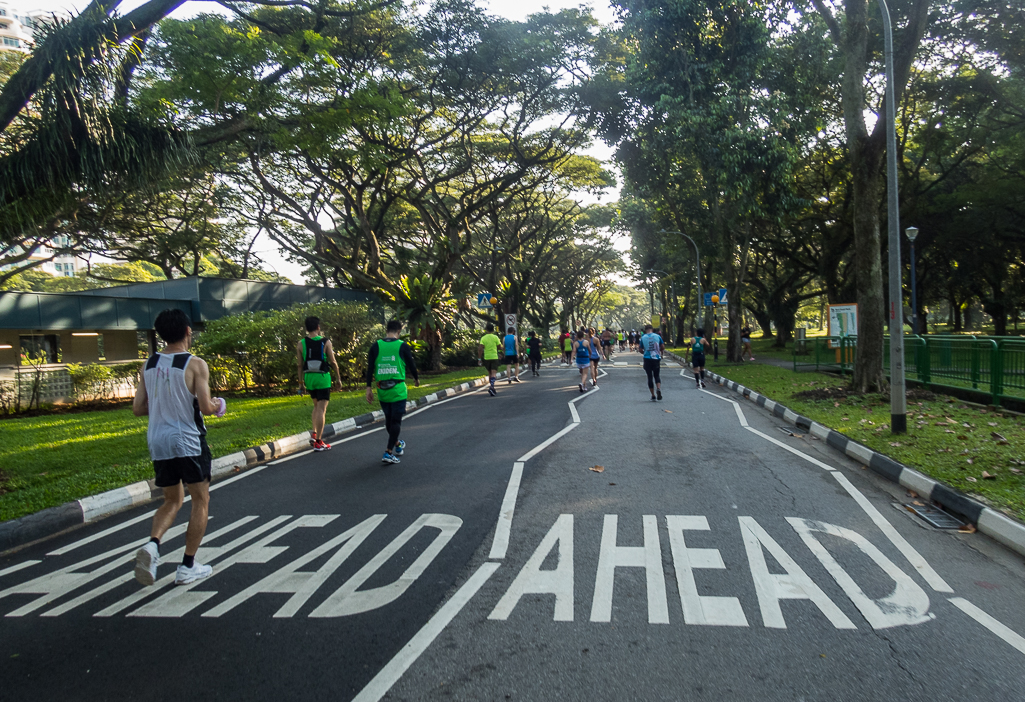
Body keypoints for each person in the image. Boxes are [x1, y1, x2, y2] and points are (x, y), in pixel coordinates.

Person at [132, 309, 227, 587]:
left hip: (158, 440)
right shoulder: (195, 364)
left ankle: (153, 545)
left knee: (171, 500)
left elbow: (138, 408)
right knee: (200, 499)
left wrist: (164, 403)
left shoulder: (148, 364)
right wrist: (220, 405)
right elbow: (207, 406)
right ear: (188, 331)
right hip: (188, 439)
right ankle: (187, 565)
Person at [366, 319, 420, 464]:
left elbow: (370, 367)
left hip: (382, 390)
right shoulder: (402, 346)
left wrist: (368, 388)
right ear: (399, 331)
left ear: (386, 330)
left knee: (389, 422)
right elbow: (411, 364)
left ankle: (397, 444)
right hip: (398, 390)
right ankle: (388, 452)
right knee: (395, 421)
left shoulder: (376, 346)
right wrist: (416, 378)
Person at [296, 316, 342, 451]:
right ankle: (318, 441)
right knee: (322, 409)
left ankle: (314, 432)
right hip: (322, 377)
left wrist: (300, 383)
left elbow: (299, 365)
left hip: (309, 378)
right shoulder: (326, 342)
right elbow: (333, 362)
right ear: (318, 327)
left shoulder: (301, 343)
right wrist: (338, 378)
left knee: (316, 406)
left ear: (306, 328)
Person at [639, 323, 664, 402]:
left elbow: (640, 349)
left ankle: (653, 395)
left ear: (645, 330)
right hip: (656, 358)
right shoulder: (657, 336)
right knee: (657, 375)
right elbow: (663, 346)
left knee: (649, 377)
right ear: (652, 329)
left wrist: (645, 352)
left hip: (647, 358)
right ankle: (658, 388)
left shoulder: (643, 337)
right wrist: (658, 351)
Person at [478, 323, 502, 396]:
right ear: (493, 330)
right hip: (494, 357)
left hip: (487, 357)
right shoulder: (495, 337)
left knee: (490, 373)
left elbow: (480, 348)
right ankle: (492, 386)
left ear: (486, 329)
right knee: (494, 373)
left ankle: (492, 387)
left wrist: (479, 358)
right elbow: (499, 347)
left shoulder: (483, 338)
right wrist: (499, 353)